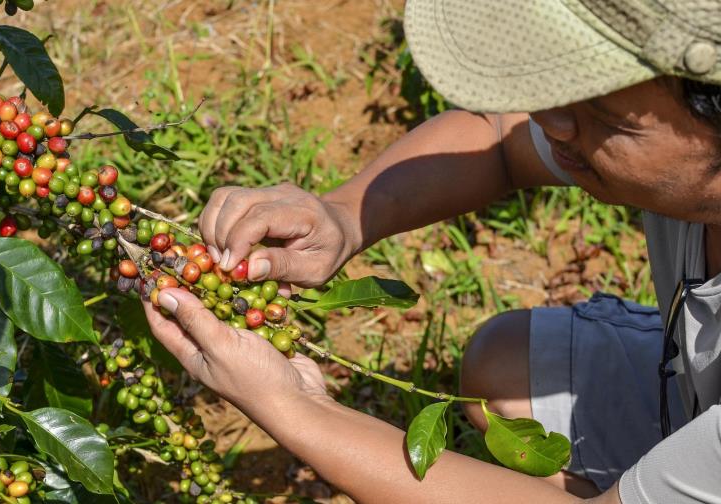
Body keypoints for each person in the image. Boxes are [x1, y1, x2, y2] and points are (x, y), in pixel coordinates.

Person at [142, 1, 721, 502]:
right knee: (506, 366)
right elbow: (499, 140)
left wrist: (297, 408)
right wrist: (343, 216)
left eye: (603, 114)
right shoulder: (660, 144)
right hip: (695, 396)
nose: (552, 121)